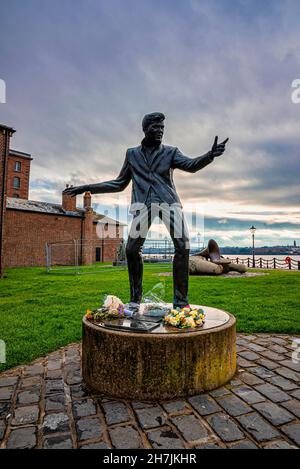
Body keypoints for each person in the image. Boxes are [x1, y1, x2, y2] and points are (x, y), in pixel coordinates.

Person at [64, 112, 228, 307]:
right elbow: (118, 183)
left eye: (162, 128)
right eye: (156, 127)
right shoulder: (132, 154)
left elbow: (191, 165)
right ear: (145, 129)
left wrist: (210, 155)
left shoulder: (171, 152)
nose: (160, 131)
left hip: (169, 202)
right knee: (132, 249)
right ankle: (135, 300)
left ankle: (181, 302)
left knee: (183, 246)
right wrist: (86, 187)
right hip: (143, 204)